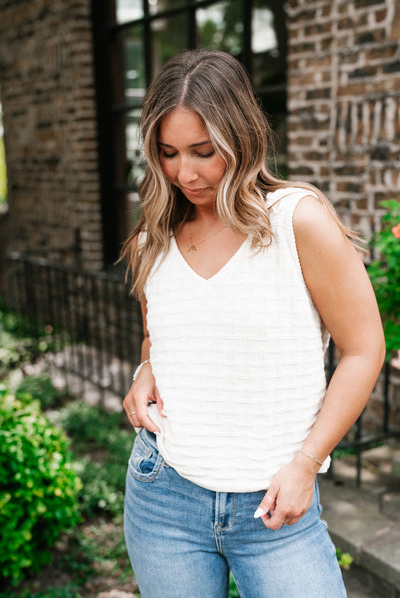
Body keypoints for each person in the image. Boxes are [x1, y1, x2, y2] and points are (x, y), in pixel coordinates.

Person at [120, 49, 385, 598]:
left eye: (203, 151)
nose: (184, 172)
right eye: (168, 153)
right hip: (164, 494)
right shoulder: (155, 234)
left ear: (241, 137)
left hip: (275, 507)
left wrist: (307, 464)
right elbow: (161, 329)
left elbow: (364, 348)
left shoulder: (296, 220)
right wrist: (147, 365)